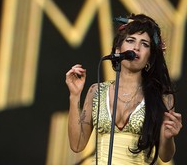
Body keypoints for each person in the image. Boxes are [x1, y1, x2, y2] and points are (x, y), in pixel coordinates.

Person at [65, 13, 182, 164]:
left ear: (149, 58)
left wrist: (168, 138)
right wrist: (74, 96)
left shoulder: (161, 97)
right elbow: (77, 144)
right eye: (130, 40)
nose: (136, 47)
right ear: (118, 50)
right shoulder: (96, 91)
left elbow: (166, 156)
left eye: (145, 44)